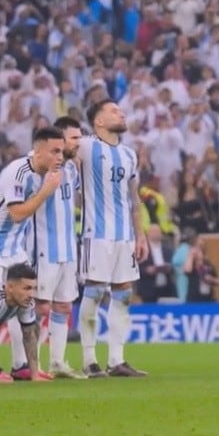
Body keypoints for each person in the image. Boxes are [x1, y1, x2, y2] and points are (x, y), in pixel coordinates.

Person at [0, 126, 64, 379]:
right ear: (39, 150)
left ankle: (24, 366)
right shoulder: (18, 172)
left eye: (62, 152)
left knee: (25, 305)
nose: (60, 157)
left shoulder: (47, 173)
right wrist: (46, 192)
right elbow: (17, 214)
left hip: (15, 249)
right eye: (55, 151)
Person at [77, 100, 150, 378]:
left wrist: (140, 235)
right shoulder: (85, 146)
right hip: (96, 235)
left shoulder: (130, 155)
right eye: (113, 110)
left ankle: (117, 360)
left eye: (121, 109)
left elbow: (134, 199)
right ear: (98, 121)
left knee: (124, 294)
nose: (121, 113)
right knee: (94, 292)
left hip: (124, 237)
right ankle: (89, 359)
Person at [37, 116, 85, 379]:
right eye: (74, 138)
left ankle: (56, 362)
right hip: (45, 249)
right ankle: (29, 364)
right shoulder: (38, 169)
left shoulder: (71, 170)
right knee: (40, 306)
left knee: (64, 307)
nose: (78, 143)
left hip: (68, 249)